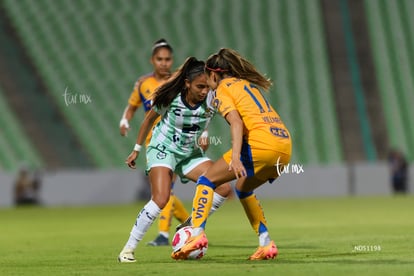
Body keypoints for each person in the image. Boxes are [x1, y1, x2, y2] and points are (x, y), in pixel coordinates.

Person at [172, 48, 292, 261]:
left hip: (261, 144)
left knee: (206, 180)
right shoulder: (248, 86)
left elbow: (236, 122)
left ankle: (196, 234)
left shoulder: (221, 90)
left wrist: (235, 156)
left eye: (208, 79)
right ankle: (266, 243)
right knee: (243, 188)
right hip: (283, 147)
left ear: (214, 75)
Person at [118, 57, 232, 263]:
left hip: (189, 153)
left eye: (207, 87)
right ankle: (128, 249)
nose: (205, 91)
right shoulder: (172, 97)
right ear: (187, 84)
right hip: (163, 148)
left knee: (223, 188)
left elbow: (208, 116)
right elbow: (148, 120)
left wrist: (205, 133)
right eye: (200, 87)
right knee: (161, 199)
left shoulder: (214, 98)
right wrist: (136, 149)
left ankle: (189, 225)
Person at [119, 38, 189, 246]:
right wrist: (125, 120)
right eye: (160, 59)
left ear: (172, 60)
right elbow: (132, 106)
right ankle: (190, 223)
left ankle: (164, 235)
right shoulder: (143, 83)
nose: (164, 63)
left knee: (166, 191)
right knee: (164, 192)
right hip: (154, 143)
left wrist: (203, 133)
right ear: (152, 60)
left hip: (178, 140)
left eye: (168, 59)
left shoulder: (180, 81)